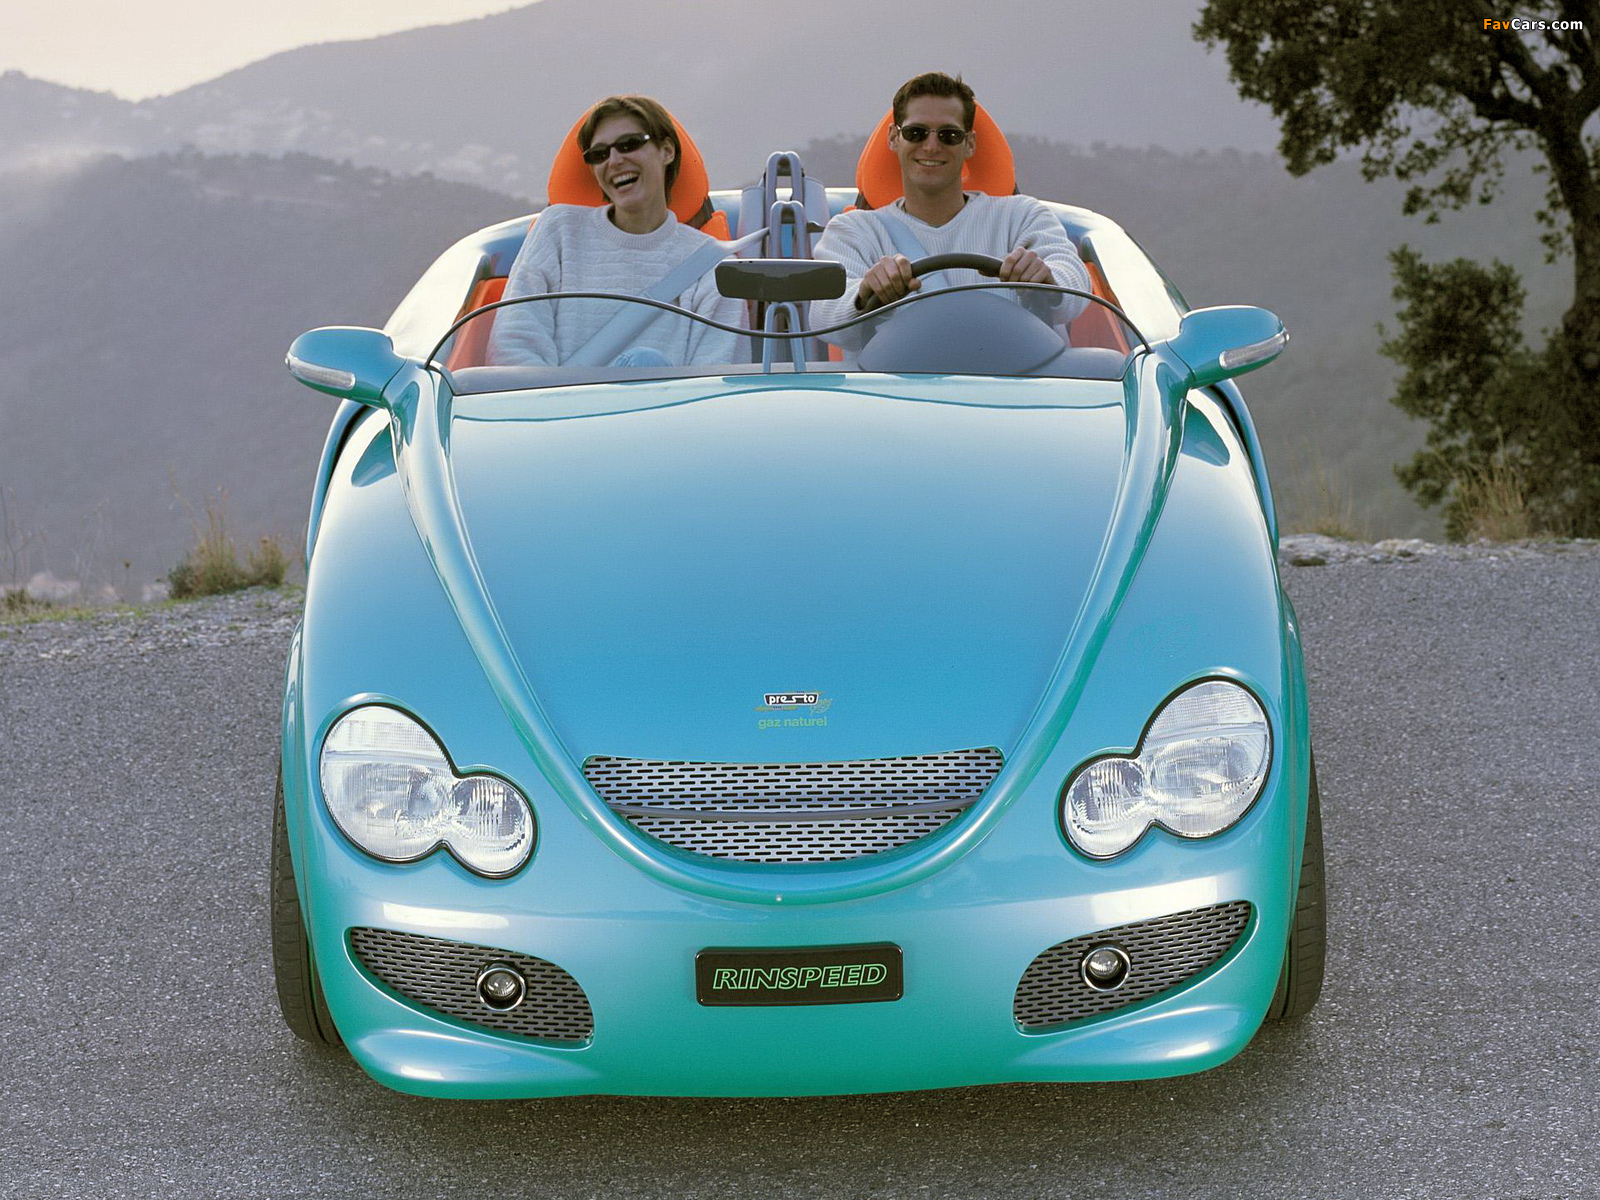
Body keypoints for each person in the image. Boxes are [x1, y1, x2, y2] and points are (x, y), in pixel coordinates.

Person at [810, 73, 1091, 339]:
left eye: (949, 135)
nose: (932, 146)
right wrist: (864, 293)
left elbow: (1073, 276)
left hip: (1013, 373)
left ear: (969, 144)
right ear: (894, 138)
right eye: (916, 133)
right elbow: (823, 314)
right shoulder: (853, 230)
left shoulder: (1022, 215)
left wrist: (1047, 279)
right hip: (898, 376)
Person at [487, 95, 745, 368]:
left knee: (646, 363)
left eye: (629, 144)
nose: (614, 160)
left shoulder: (714, 267)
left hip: (666, 397)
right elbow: (513, 345)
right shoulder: (558, 229)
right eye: (599, 154)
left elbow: (718, 376)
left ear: (667, 151)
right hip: (554, 396)